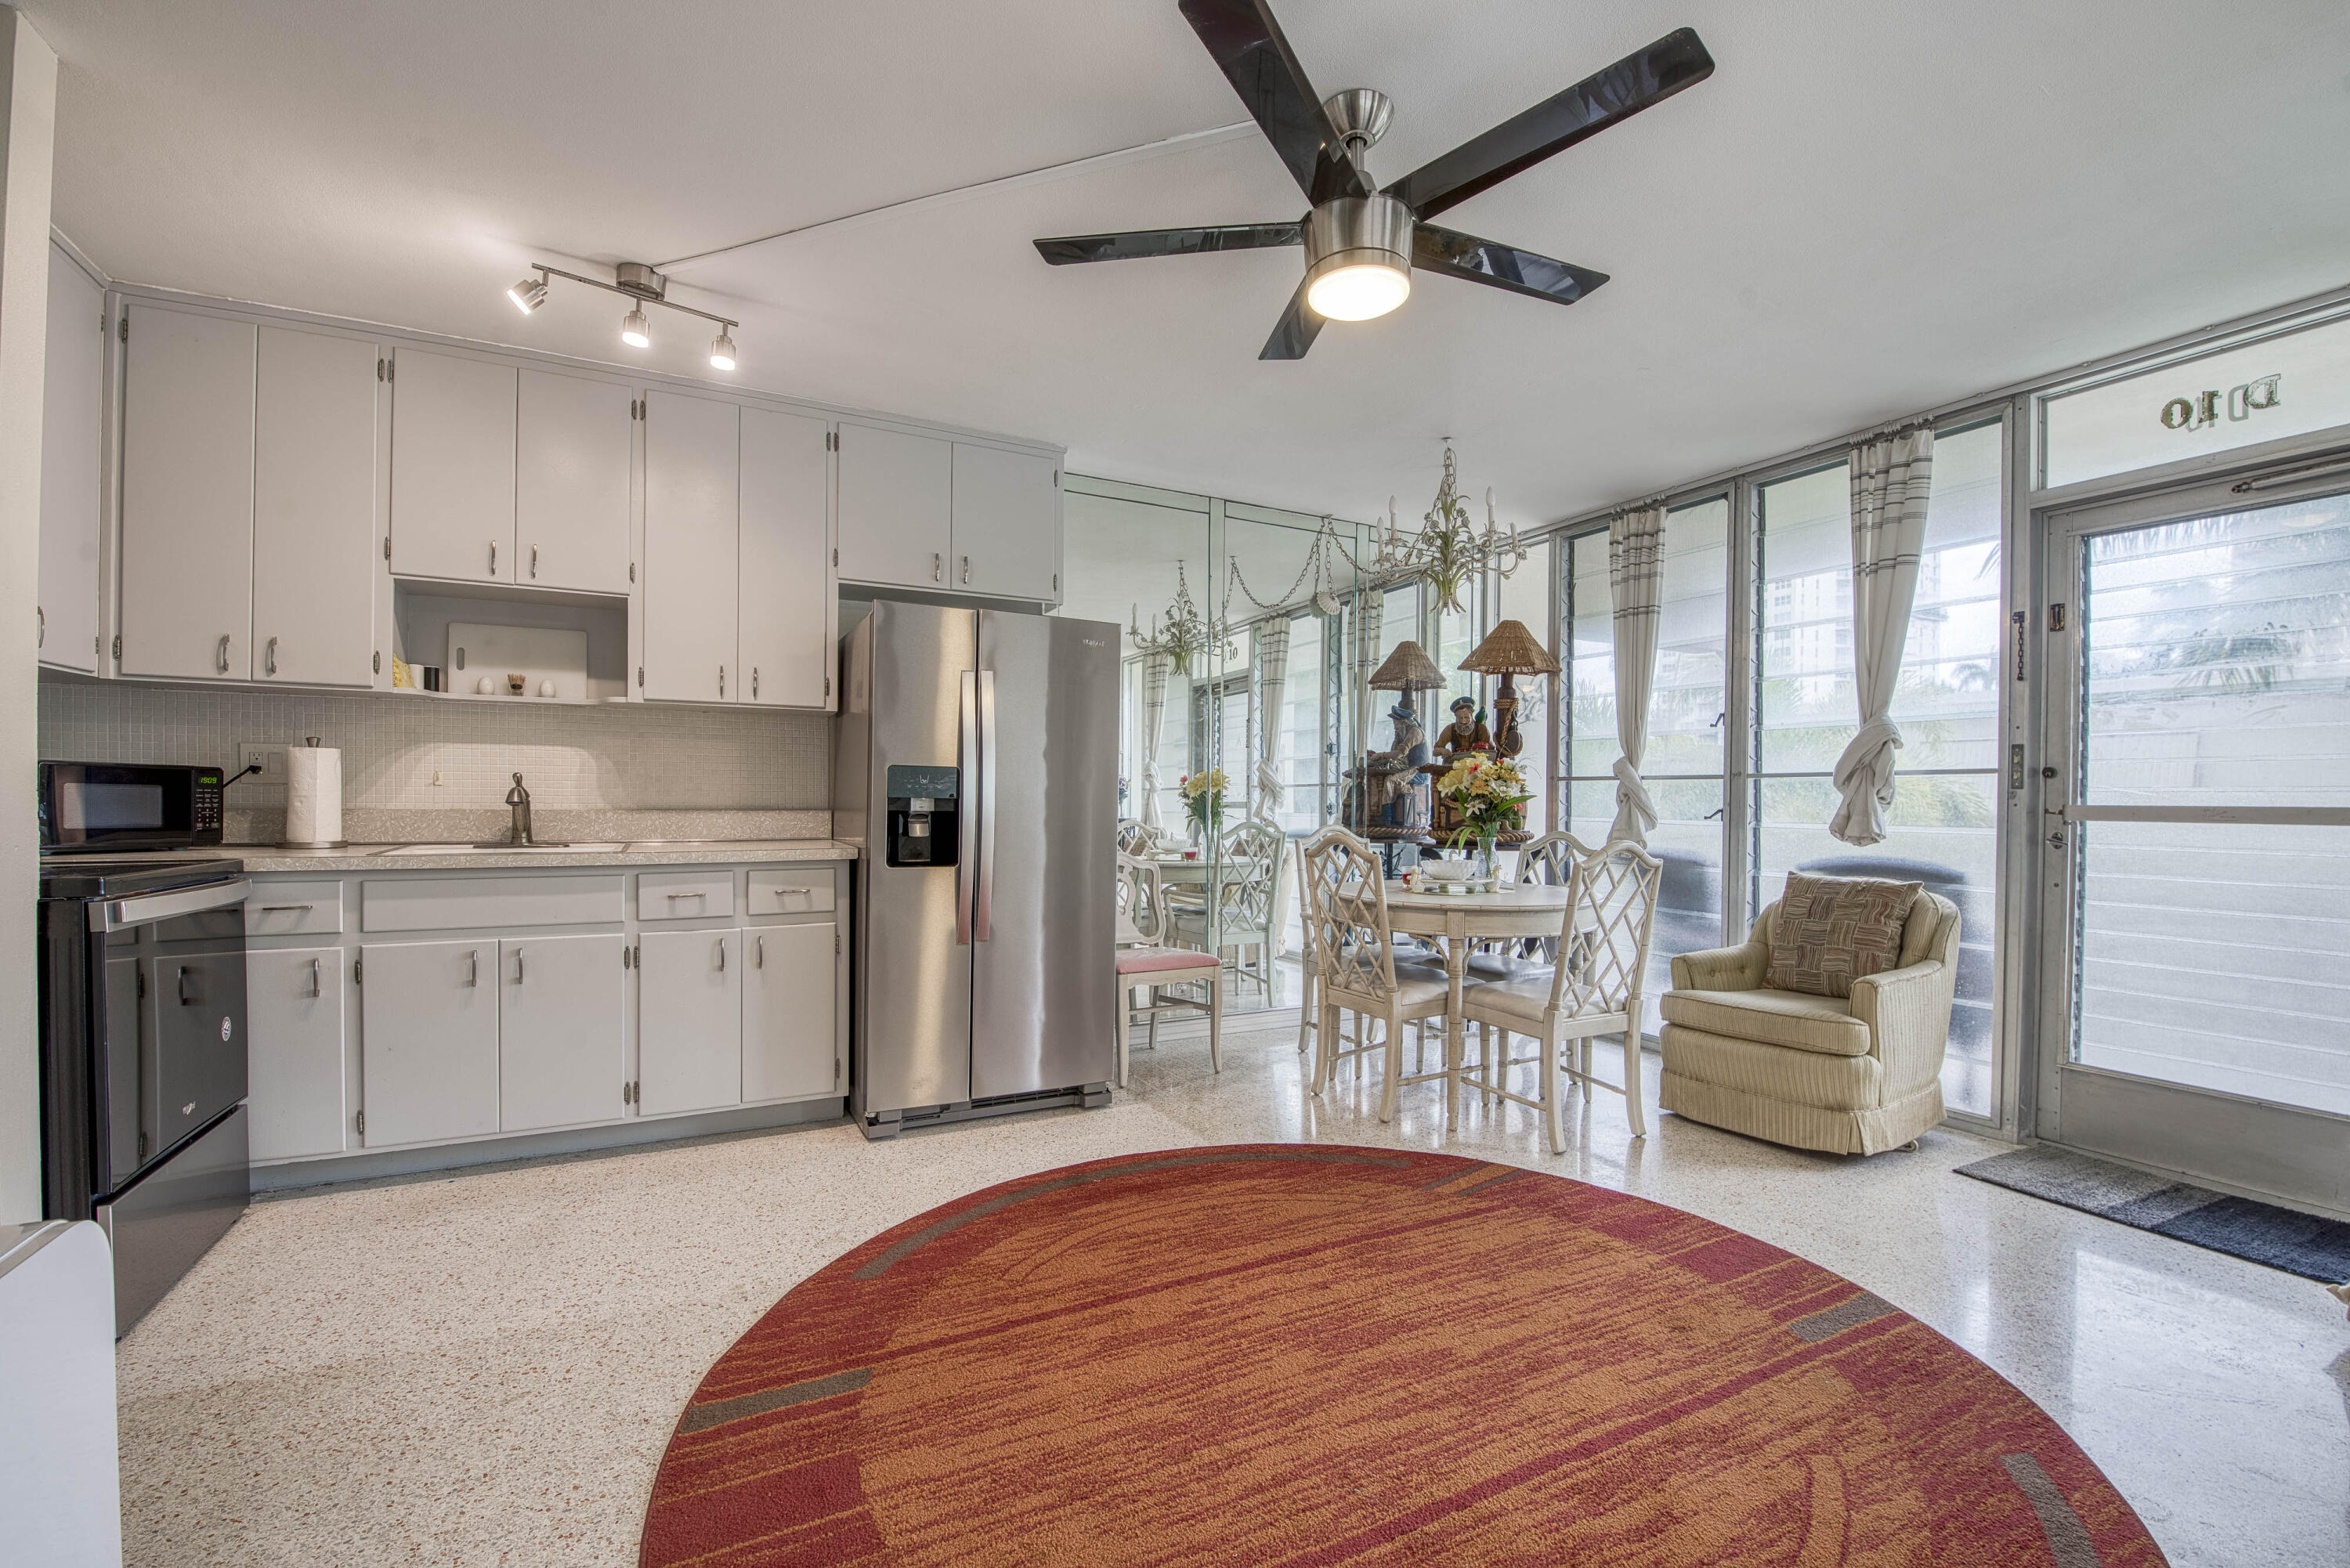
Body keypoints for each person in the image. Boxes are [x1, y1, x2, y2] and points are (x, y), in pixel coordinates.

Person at [1433, 696, 1492, 764]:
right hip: (1455, 767)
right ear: (1456, 717)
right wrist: (1442, 751)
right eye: (1460, 718)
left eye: (1467, 717)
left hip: (1477, 767)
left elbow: (1491, 751)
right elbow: (1435, 752)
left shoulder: (1481, 729)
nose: (1463, 721)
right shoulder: (1450, 729)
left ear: (1472, 716)